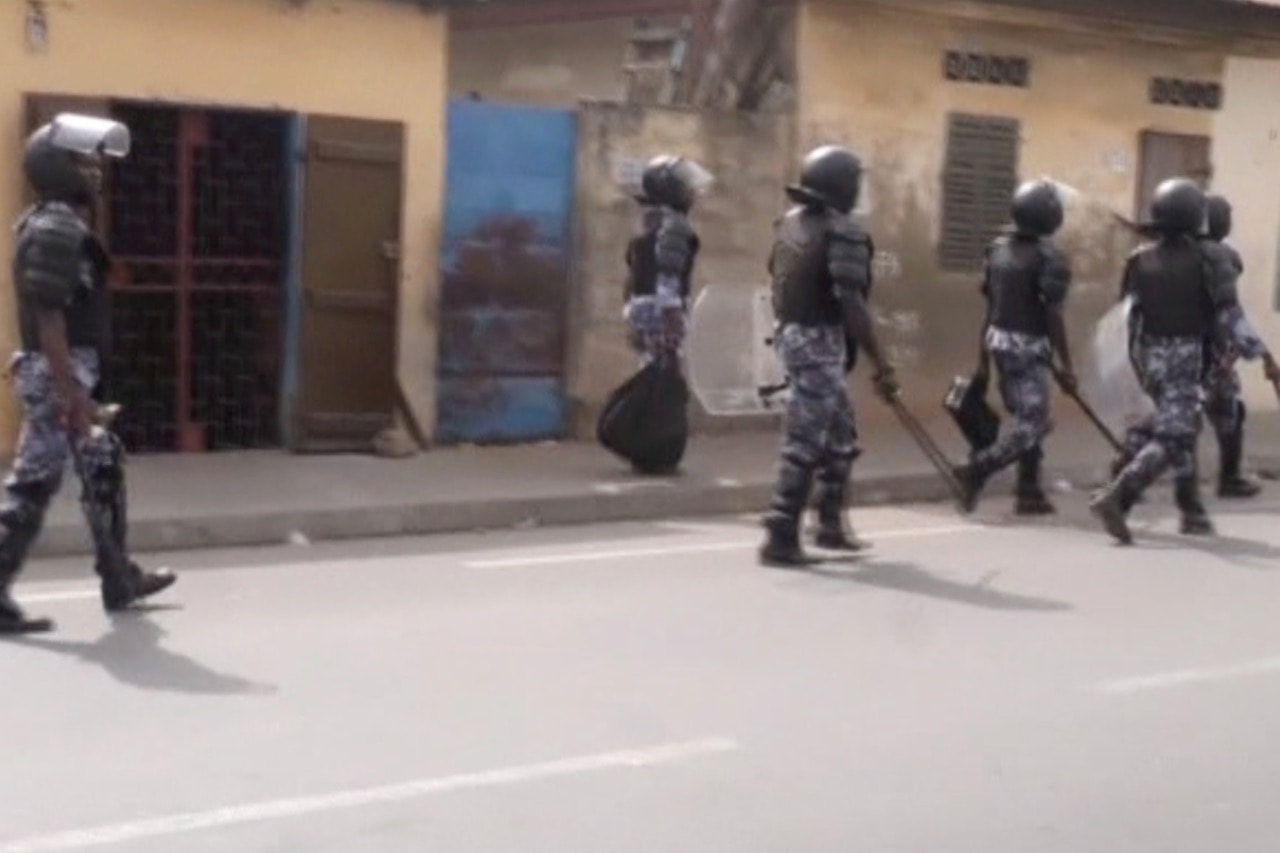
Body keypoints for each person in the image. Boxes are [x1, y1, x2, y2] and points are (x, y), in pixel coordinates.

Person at [1, 113, 176, 634]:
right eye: (82, 159)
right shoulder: (54, 226)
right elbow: (49, 314)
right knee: (35, 479)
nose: (94, 168)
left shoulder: (62, 223)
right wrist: (70, 390)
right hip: (61, 373)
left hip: (68, 371)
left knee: (102, 467)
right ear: (56, 166)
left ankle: (118, 576)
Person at [758, 145, 899, 567]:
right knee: (806, 440)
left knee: (841, 437)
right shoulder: (843, 232)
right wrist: (882, 363)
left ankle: (830, 526)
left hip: (793, 336)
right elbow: (851, 303)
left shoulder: (789, 225)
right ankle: (781, 533)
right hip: (818, 343)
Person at [1091, 178, 1243, 544]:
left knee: (1168, 427)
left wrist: (1134, 364)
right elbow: (1227, 315)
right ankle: (1120, 495)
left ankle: (1191, 511)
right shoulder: (1209, 260)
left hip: (1149, 360)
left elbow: (1127, 314)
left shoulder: (1139, 261)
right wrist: (1236, 353)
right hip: (1189, 358)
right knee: (1177, 433)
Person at [953, 179, 1075, 515]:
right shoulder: (1051, 258)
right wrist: (1067, 366)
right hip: (1030, 347)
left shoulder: (997, 251)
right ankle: (978, 468)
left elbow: (991, 306)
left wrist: (982, 360)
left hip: (999, 342)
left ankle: (1029, 492)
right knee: (1034, 421)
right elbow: (1053, 314)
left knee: (1025, 415)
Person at [622, 155, 710, 366]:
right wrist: (673, 320)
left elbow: (634, 272)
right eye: (687, 187)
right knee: (665, 378)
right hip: (661, 314)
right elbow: (668, 273)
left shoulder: (651, 222)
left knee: (651, 373)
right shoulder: (675, 226)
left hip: (642, 310)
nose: (693, 194)